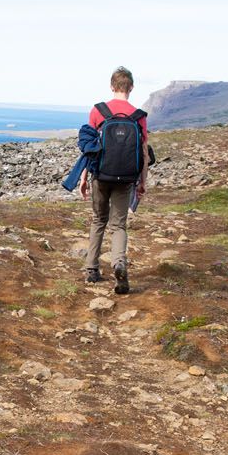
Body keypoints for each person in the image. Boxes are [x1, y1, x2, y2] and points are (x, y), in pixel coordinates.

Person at [77, 67, 148, 292]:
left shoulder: (99, 111)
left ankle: (91, 269)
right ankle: (119, 263)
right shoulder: (139, 116)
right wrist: (142, 181)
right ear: (131, 87)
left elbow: (89, 148)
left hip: (101, 175)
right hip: (126, 177)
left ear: (111, 86)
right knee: (119, 225)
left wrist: (83, 178)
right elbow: (144, 152)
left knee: (99, 220)